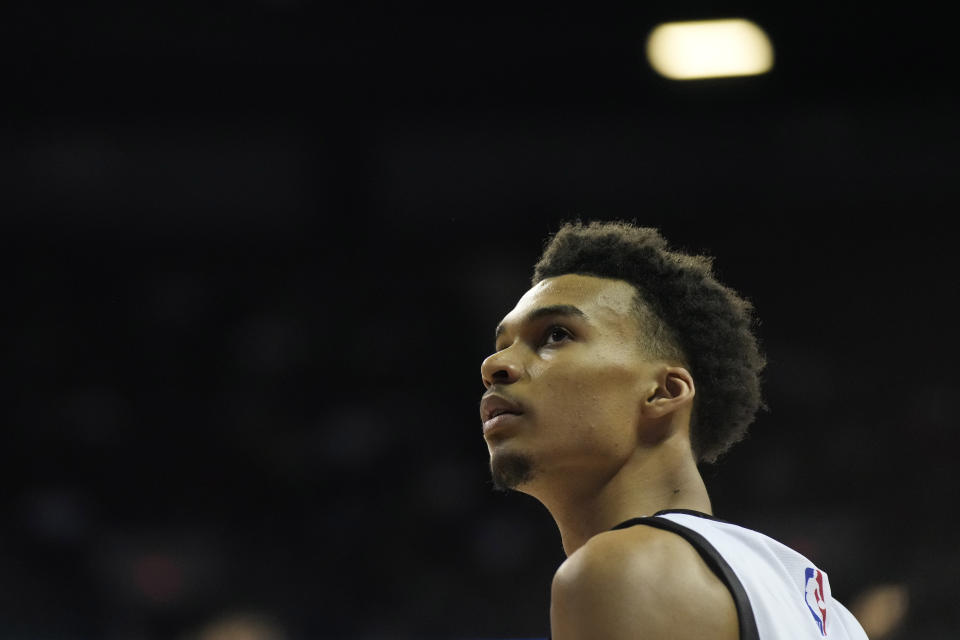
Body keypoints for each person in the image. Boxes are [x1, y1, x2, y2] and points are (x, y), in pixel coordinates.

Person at [479, 221, 868, 640]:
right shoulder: (822, 606)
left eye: (556, 335)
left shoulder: (622, 569)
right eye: (503, 345)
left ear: (664, 392)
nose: (494, 366)